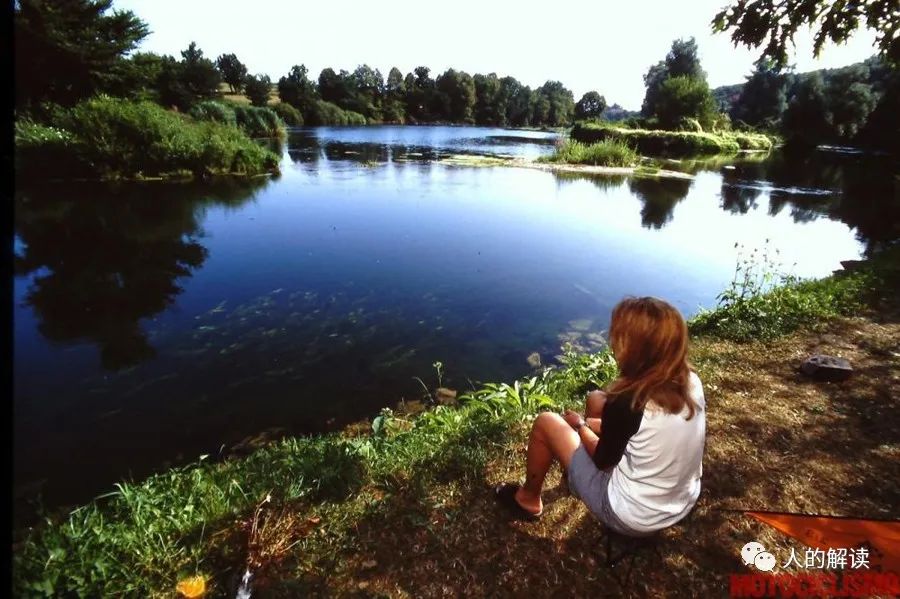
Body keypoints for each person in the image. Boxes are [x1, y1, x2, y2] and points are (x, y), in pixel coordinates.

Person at [494, 296, 706, 536]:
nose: (613, 341)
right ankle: (575, 478)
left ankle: (528, 499)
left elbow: (603, 462)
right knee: (596, 398)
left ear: (634, 349)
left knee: (547, 422)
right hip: (679, 502)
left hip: (631, 516)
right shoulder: (690, 381)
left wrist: (581, 425)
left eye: (618, 336)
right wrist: (599, 425)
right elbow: (638, 429)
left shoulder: (630, 401)